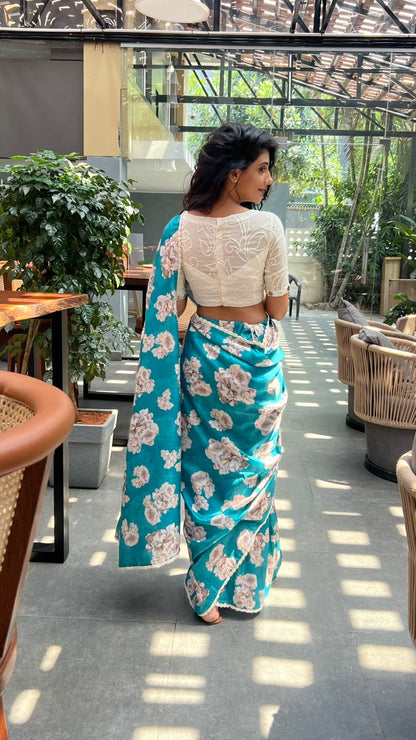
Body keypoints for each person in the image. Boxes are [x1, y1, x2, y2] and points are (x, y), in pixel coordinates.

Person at [117, 122, 289, 625]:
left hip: (203, 359)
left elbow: (172, 306)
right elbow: (278, 308)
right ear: (234, 174)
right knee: (252, 470)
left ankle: (205, 586)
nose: (268, 180)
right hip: (254, 365)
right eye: (262, 170)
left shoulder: (179, 228)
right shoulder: (267, 227)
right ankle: (232, 584)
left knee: (205, 470)